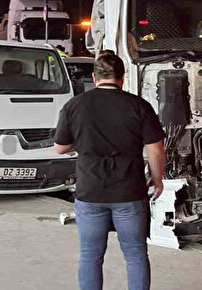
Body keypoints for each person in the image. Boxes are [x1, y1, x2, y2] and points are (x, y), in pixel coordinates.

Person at [54, 52, 166, 290]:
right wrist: (157, 180)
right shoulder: (139, 106)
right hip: (129, 191)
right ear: (122, 79)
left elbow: (60, 148)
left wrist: (85, 140)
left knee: (90, 256)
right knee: (135, 255)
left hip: (90, 191)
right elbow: (156, 150)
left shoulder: (74, 106)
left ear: (94, 78)